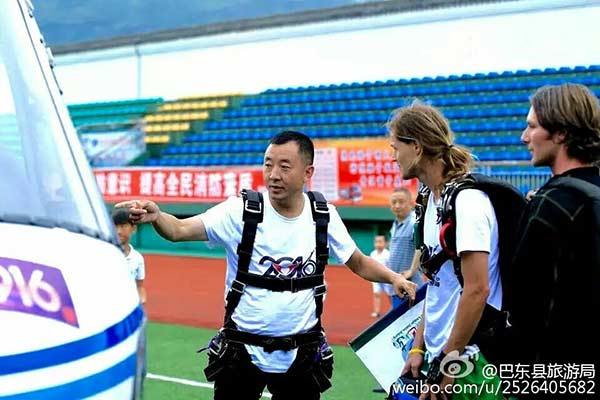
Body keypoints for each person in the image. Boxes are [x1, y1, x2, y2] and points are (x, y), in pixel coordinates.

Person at [115, 130, 417, 400]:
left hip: (303, 354)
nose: (273, 174)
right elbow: (180, 230)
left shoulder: (323, 215)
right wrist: (157, 216)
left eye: (284, 166)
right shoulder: (241, 212)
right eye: (268, 164)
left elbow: (358, 261)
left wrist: (394, 279)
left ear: (307, 172)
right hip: (240, 353)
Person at [388, 102, 504, 399]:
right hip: (442, 357)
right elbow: (438, 283)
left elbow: (477, 289)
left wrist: (449, 364)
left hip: (470, 362)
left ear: (415, 146)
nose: (392, 157)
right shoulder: (428, 200)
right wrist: (418, 346)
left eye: (395, 147)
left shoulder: (468, 203)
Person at [510, 83, 600, 365]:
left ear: (561, 132)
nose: (525, 137)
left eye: (532, 126)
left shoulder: (551, 204)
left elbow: (524, 303)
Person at [388, 188, 423, 308]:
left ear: (410, 203)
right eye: (394, 202)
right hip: (396, 283)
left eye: (401, 202)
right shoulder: (395, 224)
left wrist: (412, 270)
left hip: (410, 285)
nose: (397, 205)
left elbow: (421, 247)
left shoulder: (414, 223)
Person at [112, 208, 147, 305]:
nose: (118, 231)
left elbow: (139, 287)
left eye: (123, 226)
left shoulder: (138, 258)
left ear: (134, 229)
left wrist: (142, 301)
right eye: (115, 226)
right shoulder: (104, 254)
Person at [370, 234, 392, 317]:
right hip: (376, 278)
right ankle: (376, 311)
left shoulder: (387, 254)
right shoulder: (373, 254)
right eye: (376, 242)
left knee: (389, 294)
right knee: (376, 294)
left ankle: (393, 308)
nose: (378, 244)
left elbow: (390, 266)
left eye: (380, 242)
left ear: (385, 243)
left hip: (386, 278)